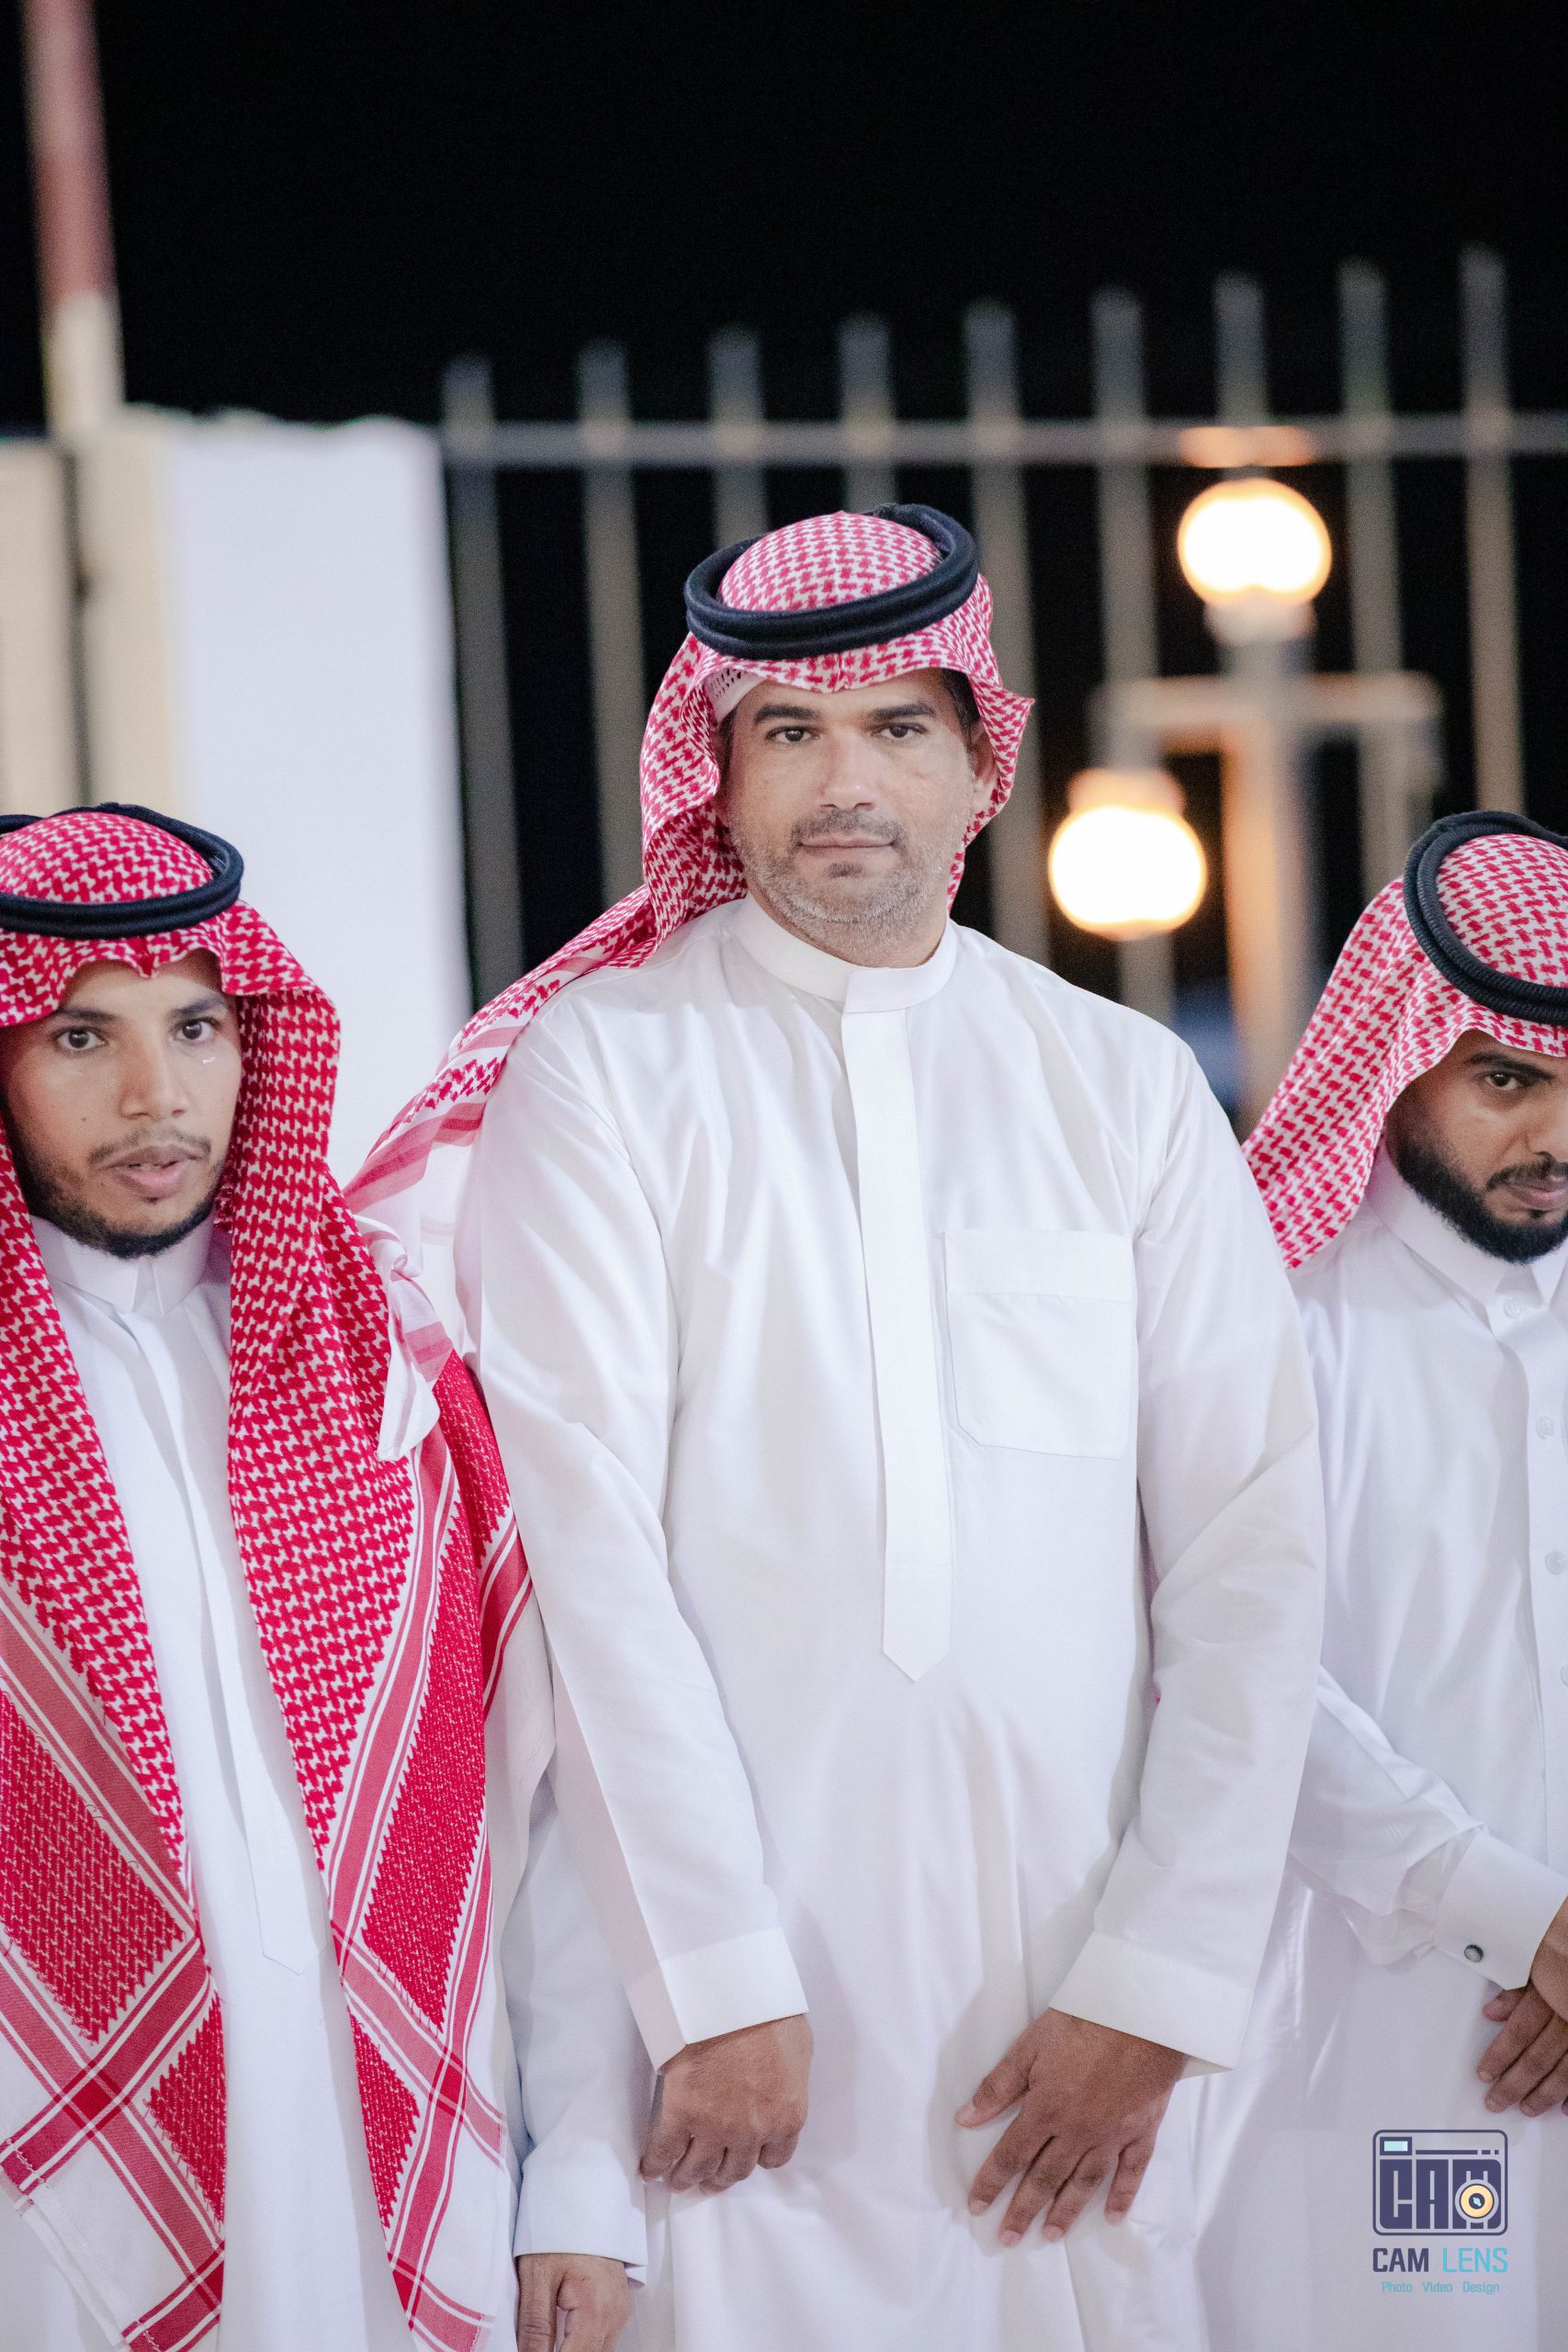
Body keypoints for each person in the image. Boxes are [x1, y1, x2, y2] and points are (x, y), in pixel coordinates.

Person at [353, 506, 1325, 2351]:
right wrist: (714, 1980)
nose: (844, 782)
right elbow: (587, 1569)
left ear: (979, 763)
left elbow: (1250, 1548)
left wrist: (1161, 1977)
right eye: (787, 732)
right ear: (716, 776)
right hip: (737, 2040)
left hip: (1077, 2018)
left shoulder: (1117, 1084)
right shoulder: (608, 1069)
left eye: (895, 727)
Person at [0, 806, 643, 2352]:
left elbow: (544, 1797)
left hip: (387, 2173)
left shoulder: (394, 1375)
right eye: (81, 1037)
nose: (158, 1096)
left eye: (197, 1028)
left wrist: (581, 2176)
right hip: (46, 2218)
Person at [1195, 810, 1568, 2348]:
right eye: (1508, 1080)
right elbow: (1240, 1678)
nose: (1555, 1135)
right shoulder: (1275, 1321)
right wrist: (1529, 1923)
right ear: (1399, 1058)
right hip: (1405, 2059)